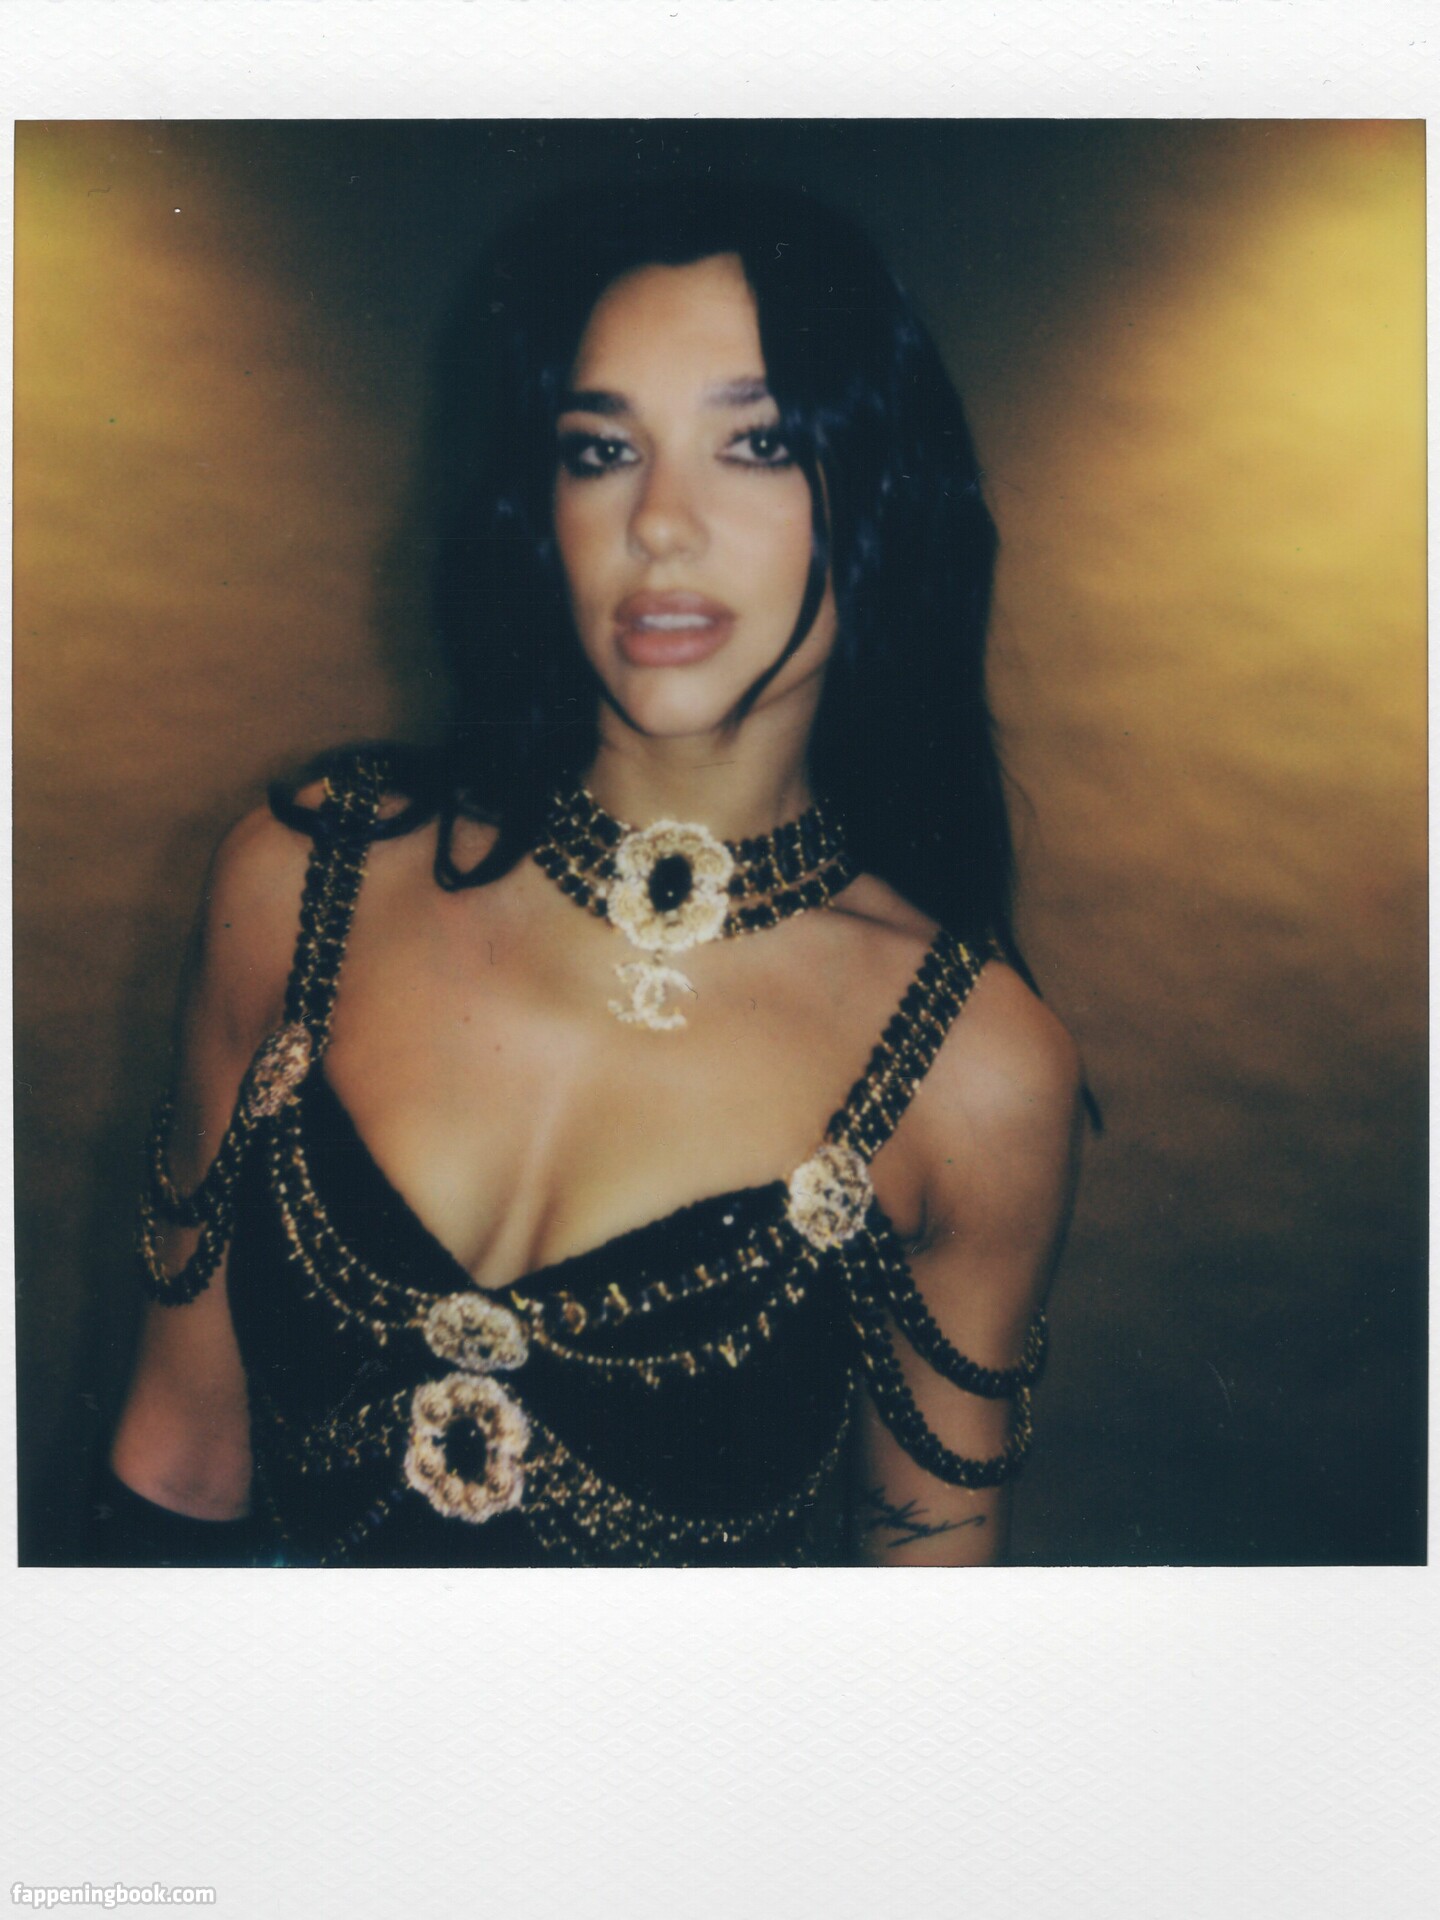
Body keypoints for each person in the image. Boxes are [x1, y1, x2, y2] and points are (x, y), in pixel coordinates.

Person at [100, 179, 1083, 1568]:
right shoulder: (301, 878)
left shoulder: (978, 1069)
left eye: (758, 443)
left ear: (878, 491)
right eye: (602, 449)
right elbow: (176, 1464)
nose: (661, 522)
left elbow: (925, 1637)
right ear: (542, 505)